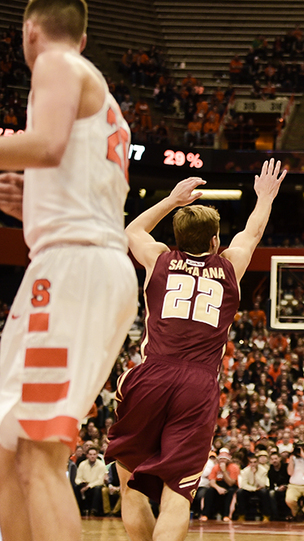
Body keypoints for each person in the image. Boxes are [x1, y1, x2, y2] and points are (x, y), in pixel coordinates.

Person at [0, 3, 138, 541]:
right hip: (80, 262)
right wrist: (33, 204)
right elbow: (75, 174)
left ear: (31, 29)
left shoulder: (56, 61)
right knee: (10, 444)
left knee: (36, 450)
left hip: (72, 270)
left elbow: (48, 144)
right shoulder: (96, 91)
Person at [105, 158, 286, 538]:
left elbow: (132, 229)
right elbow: (252, 232)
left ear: (175, 238)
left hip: (151, 374)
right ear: (216, 240)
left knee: (130, 486)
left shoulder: (158, 259)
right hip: (197, 385)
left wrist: (172, 200)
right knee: (178, 492)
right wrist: (265, 197)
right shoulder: (231, 265)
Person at [74, 446, 106, 516]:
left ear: (97, 455)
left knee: (97, 489)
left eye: (94, 454)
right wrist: (81, 483)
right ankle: (79, 510)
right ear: (87, 455)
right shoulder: (82, 464)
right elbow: (77, 478)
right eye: (90, 454)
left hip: (94, 485)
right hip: (84, 484)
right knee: (76, 487)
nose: (92, 456)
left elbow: (100, 481)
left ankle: (94, 511)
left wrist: (89, 486)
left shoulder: (101, 465)